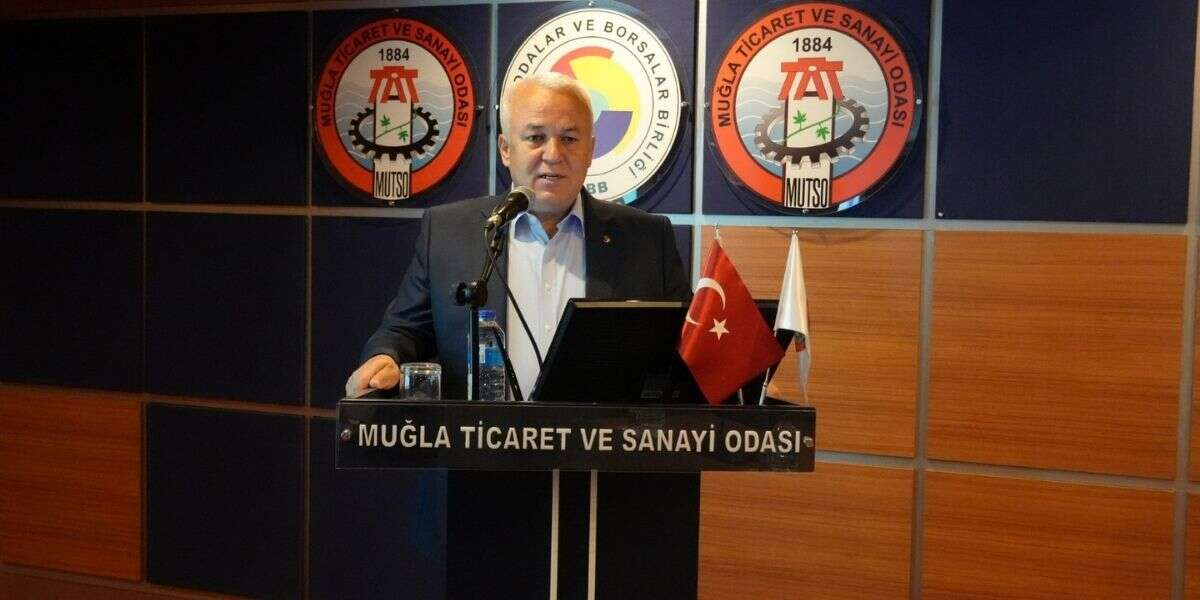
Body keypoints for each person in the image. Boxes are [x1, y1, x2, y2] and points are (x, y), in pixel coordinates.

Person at [345, 72, 690, 400]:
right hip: (484, 441)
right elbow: (405, 331)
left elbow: (688, 350)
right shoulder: (449, 232)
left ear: (590, 151)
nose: (553, 155)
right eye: (536, 137)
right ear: (506, 149)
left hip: (602, 441)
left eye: (569, 139)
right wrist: (385, 356)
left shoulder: (647, 239)